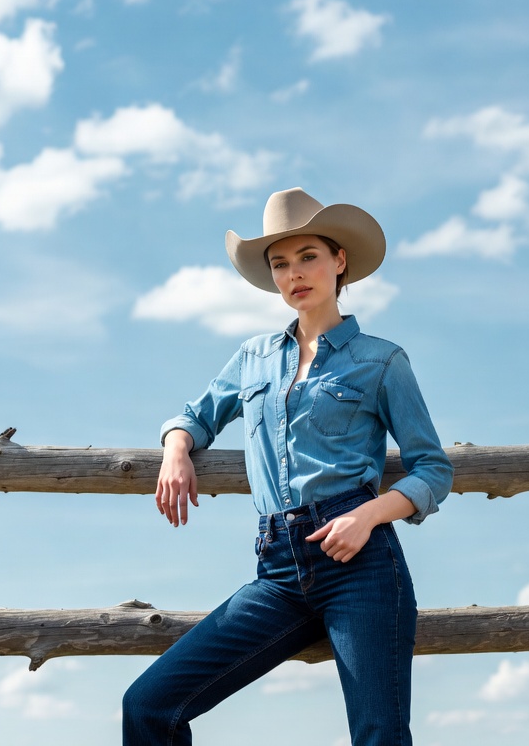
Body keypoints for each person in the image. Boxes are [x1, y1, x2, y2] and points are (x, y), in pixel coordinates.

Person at [122, 187, 454, 745]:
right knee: (150, 704)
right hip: (277, 569)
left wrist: (368, 516)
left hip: (361, 564)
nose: (294, 274)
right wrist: (176, 449)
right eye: (280, 264)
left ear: (339, 261)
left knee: (379, 735)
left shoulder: (382, 360)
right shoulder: (253, 357)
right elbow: (195, 416)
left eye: (307, 257)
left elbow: (432, 469)